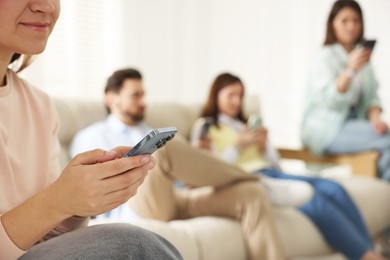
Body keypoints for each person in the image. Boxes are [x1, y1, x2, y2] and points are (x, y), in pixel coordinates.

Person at [0, 1, 183, 259]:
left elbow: (51, 240)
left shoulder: (39, 105)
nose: (47, 6)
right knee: (134, 244)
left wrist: (76, 203)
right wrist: (57, 200)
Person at [70, 68, 286, 260]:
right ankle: (258, 178)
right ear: (111, 98)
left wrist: (197, 158)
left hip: (176, 196)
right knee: (164, 146)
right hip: (133, 203)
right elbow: (89, 190)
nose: (143, 102)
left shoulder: (147, 128)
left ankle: (256, 184)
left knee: (251, 194)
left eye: (143, 95)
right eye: (135, 95)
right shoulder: (92, 136)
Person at [191, 72, 385, 260]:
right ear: (216, 95)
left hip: (272, 172)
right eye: (230, 95)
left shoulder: (245, 125)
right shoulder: (205, 127)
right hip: (249, 177)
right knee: (311, 197)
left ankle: (370, 248)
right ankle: (366, 256)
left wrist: (264, 146)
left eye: (240, 95)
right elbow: (211, 168)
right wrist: (239, 144)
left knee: (335, 188)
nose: (236, 101)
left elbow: (276, 165)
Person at [301, 0, 390, 181]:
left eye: (356, 21)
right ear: (333, 24)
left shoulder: (363, 58)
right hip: (326, 127)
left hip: (354, 123)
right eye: (345, 20)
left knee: (384, 145)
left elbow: (371, 97)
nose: (351, 26)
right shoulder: (324, 57)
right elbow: (330, 102)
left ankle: (381, 197)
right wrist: (349, 70)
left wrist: (375, 119)